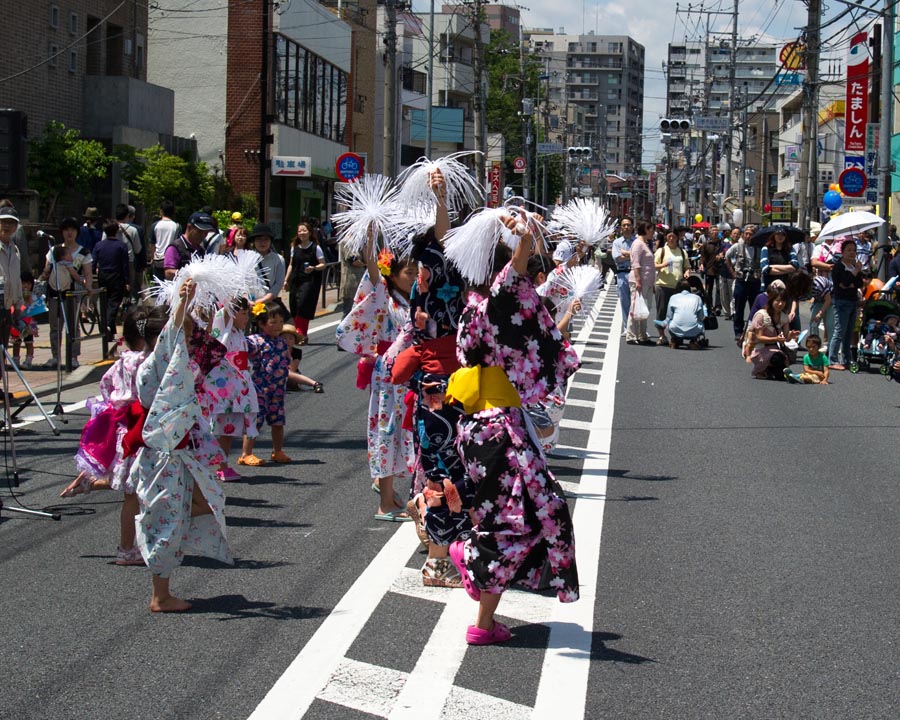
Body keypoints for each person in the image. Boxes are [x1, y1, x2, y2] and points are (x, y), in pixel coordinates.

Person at [446, 216, 580, 646]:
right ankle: (468, 559)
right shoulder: (493, 303)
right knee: (528, 519)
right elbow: (511, 283)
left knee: (516, 522)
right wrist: (522, 238)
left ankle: (483, 620)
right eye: (513, 270)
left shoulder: (471, 307)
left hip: (483, 427)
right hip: (498, 430)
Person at [129, 279, 233, 612]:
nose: (189, 340)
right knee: (166, 517)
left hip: (178, 452)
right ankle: (160, 595)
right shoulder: (154, 366)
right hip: (163, 454)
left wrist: (193, 305)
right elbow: (169, 343)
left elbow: (207, 346)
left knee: (200, 504)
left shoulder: (177, 364)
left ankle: (163, 586)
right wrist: (180, 306)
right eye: (184, 334)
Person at [61, 306, 167, 565]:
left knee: (134, 483)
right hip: (141, 429)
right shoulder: (148, 361)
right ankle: (127, 549)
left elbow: (106, 388)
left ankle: (92, 484)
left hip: (125, 428)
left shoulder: (122, 361)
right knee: (135, 490)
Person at [336, 234, 417, 522]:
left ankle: (388, 489)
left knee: (406, 430)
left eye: (416, 271)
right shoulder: (384, 293)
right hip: (390, 374)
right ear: (392, 276)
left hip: (411, 372)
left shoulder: (412, 299)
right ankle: (385, 502)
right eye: (409, 272)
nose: (414, 277)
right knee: (387, 430)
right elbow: (373, 267)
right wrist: (370, 236)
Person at [206, 298, 258, 481]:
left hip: (237, 387)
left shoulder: (239, 333)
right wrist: (228, 292)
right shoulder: (224, 327)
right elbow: (226, 312)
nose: (247, 317)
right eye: (243, 313)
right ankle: (216, 465)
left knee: (228, 429)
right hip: (223, 388)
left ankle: (224, 464)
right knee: (218, 428)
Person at [239, 301, 291, 466]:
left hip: (278, 390)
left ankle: (278, 450)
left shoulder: (282, 342)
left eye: (281, 322)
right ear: (261, 324)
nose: (278, 326)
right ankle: (246, 453)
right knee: (256, 421)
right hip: (260, 389)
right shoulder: (255, 341)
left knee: (278, 421)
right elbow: (242, 346)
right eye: (273, 322)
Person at [40, 220, 92, 369]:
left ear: (77, 232)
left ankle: (73, 356)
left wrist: (88, 289)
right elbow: (46, 270)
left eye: (72, 230)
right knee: (55, 326)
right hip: (55, 293)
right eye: (66, 230)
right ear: (62, 232)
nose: (69, 233)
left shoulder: (83, 252)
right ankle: (55, 356)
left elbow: (88, 273)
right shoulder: (54, 250)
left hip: (73, 294)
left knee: (73, 325)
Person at [283, 221, 326, 342]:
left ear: (310, 232)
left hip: (310, 281)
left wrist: (314, 268)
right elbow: (291, 265)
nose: (302, 233)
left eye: (304, 230)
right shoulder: (294, 247)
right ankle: (300, 334)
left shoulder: (315, 247)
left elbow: (323, 264)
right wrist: (286, 280)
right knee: (294, 306)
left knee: (303, 305)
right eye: (300, 231)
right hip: (296, 280)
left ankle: (300, 333)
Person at [746, 286, 799, 379]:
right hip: (761, 349)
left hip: (775, 349)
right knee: (778, 359)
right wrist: (776, 339)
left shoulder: (784, 317)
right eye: (777, 301)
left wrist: (791, 335)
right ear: (771, 300)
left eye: (783, 301)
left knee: (781, 367)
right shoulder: (761, 315)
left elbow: (786, 338)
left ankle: (769, 372)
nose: (780, 304)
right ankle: (765, 370)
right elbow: (759, 337)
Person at [92, 220, 130, 345]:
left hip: (103, 276)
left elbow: (94, 261)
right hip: (117, 277)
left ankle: (109, 329)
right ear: (116, 231)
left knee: (104, 302)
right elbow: (125, 265)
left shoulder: (99, 245)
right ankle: (108, 326)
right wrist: (127, 281)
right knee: (114, 303)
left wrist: (92, 273)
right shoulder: (121, 246)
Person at [828, 240, 863, 371]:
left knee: (849, 332)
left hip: (853, 300)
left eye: (854, 250)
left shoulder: (854, 266)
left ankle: (846, 359)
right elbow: (844, 282)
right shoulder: (838, 266)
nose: (852, 253)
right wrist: (854, 274)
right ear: (842, 252)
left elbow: (859, 283)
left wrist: (852, 279)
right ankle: (832, 359)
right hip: (841, 301)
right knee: (839, 330)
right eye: (849, 250)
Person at [653, 230, 689, 346]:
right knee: (662, 312)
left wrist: (687, 272)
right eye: (669, 236)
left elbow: (687, 267)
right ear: (666, 238)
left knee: (677, 313)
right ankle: (662, 335)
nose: (671, 239)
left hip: (678, 287)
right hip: (663, 285)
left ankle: (675, 336)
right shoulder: (661, 251)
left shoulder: (682, 252)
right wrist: (663, 265)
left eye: (673, 236)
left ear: (677, 238)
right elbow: (654, 265)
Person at [726, 224, 761, 343]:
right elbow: (727, 257)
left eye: (750, 234)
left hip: (755, 281)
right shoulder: (737, 246)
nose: (748, 236)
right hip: (741, 280)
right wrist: (732, 272)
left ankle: (754, 330)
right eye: (746, 233)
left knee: (755, 308)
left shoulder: (759, 248)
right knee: (739, 307)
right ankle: (738, 331)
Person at [248, 223, 288, 318]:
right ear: (254, 241)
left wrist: (262, 301)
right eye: (259, 239)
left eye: (266, 239)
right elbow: (240, 282)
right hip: (249, 305)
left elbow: (278, 284)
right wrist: (248, 301)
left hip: (269, 305)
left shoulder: (278, 259)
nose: (263, 243)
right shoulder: (246, 258)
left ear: (271, 241)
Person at [625, 220, 655, 345]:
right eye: (651, 229)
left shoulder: (645, 243)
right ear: (646, 229)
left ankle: (642, 334)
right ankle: (631, 335)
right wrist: (638, 280)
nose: (653, 232)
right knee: (635, 307)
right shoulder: (638, 243)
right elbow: (635, 263)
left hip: (647, 281)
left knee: (644, 309)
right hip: (639, 280)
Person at [164, 211, 212, 279]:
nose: (203, 236)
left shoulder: (201, 250)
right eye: (199, 232)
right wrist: (191, 275)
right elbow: (168, 273)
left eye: (206, 233)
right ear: (189, 227)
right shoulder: (175, 247)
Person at [281, 323, 323, 392]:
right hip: (277, 375)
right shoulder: (275, 350)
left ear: (294, 341)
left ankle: (315, 383)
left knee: (287, 372)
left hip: (291, 375)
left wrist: (287, 353)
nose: (287, 341)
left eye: (290, 338)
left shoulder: (297, 352)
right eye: (284, 338)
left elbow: (293, 368)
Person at [663, 279, 705, 348]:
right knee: (700, 322)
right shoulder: (697, 298)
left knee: (669, 322)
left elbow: (669, 316)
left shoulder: (673, 298)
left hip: (675, 329)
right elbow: (701, 316)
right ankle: (693, 341)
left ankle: (675, 340)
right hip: (694, 330)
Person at [0, 206, 24, 327]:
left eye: (11, 223)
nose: (7, 226)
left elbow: (17, 280)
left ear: (15, 227)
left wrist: (18, 306)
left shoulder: (15, 250)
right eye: (3, 222)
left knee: (4, 344)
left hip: (7, 307)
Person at [611, 218, 635, 334]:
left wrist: (625, 254)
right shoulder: (616, 242)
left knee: (636, 302)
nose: (626, 227)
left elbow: (641, 256)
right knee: (625, 302)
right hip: (621, 273)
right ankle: (627, 328)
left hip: (635, 273)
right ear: (621, 228)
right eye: (624, 225)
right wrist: (632, 255)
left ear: (632, 227)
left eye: (628, 225)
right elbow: (617, 258)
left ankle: (636, 328)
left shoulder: (637, 242)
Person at [11, 271, 39, 368]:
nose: (25, 286)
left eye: (28, 284)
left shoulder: (33, 296)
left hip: (29, 322)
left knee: (29, 341)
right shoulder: (17, 295)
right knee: (16, 341)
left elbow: (33, 309)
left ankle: (28, 360)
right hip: (18, 321)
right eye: (23, 283)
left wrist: (29, 299)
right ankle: (15, 360)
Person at [149, 200, 179, 282]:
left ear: (161, 211)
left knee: (158, 286)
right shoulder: (176, 226)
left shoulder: (155, 225)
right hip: (171, 260)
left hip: (158, 259)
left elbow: (152, 243)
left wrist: (152, 258)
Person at [699, 227, 726, 314]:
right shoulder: (706, 244)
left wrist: (723, 256)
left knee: (719, 289)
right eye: (713, 231)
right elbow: (702, 256)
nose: (715, 232)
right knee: (709, 289)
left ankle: (718, 306)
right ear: (710, 233)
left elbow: (726, 253)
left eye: (716, 231)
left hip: (720, 269)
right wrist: (701, 264)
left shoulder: (722, 244)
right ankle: (709, 305)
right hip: (709, 269)